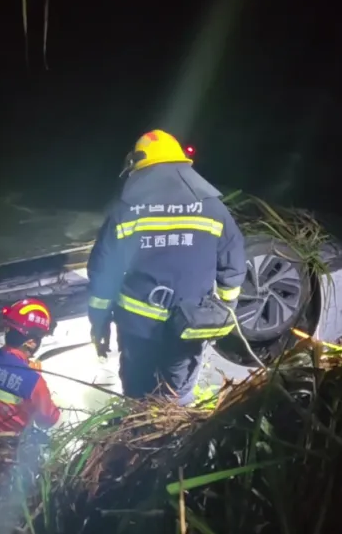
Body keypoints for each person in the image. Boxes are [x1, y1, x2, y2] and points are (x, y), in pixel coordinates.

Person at [86, 130, 247, 405]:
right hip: (189, 324)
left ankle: (139, 425)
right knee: (177, 395)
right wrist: (225, 306)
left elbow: (103, 275)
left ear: (138, 166)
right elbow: (233, 264)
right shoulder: (213, 207)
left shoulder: (124, 210)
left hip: (137, 327)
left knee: (138, 392)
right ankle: (176, 427)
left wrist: (99, 324)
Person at [0, 298, 62, 432]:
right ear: (31, 342)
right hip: (8, 443)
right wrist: (35, 375)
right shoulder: (33, 381)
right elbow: (47, 421)